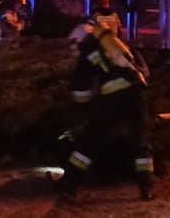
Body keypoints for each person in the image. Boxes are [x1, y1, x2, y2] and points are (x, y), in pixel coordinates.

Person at [55, 15, 156, 201]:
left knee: (89, 142)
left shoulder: (87, 49)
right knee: (141, 140)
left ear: (79, 40)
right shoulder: (119, 44)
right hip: (137, 96)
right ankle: (146, 187)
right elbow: (144, 72)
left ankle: (69, 184)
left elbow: (81, 86)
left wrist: (82, 106)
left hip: (111, 99)